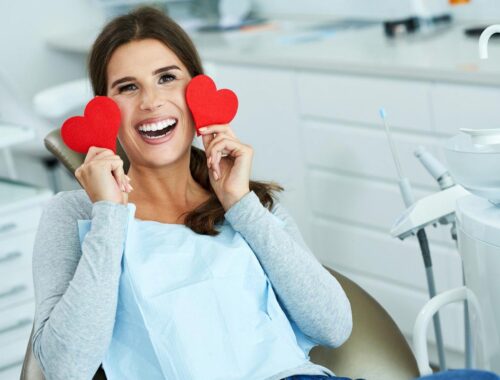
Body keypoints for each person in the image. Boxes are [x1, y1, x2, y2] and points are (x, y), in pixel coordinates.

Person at [31, 6, 353, 380]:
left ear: (197, 94)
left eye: (167, 78)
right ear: (104, 110)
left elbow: (333, 327)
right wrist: (109, 214)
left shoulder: (248, 202)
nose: (151, 101)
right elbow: (64, 370)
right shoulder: (77, 215)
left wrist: (240, 204)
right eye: (128, 87)